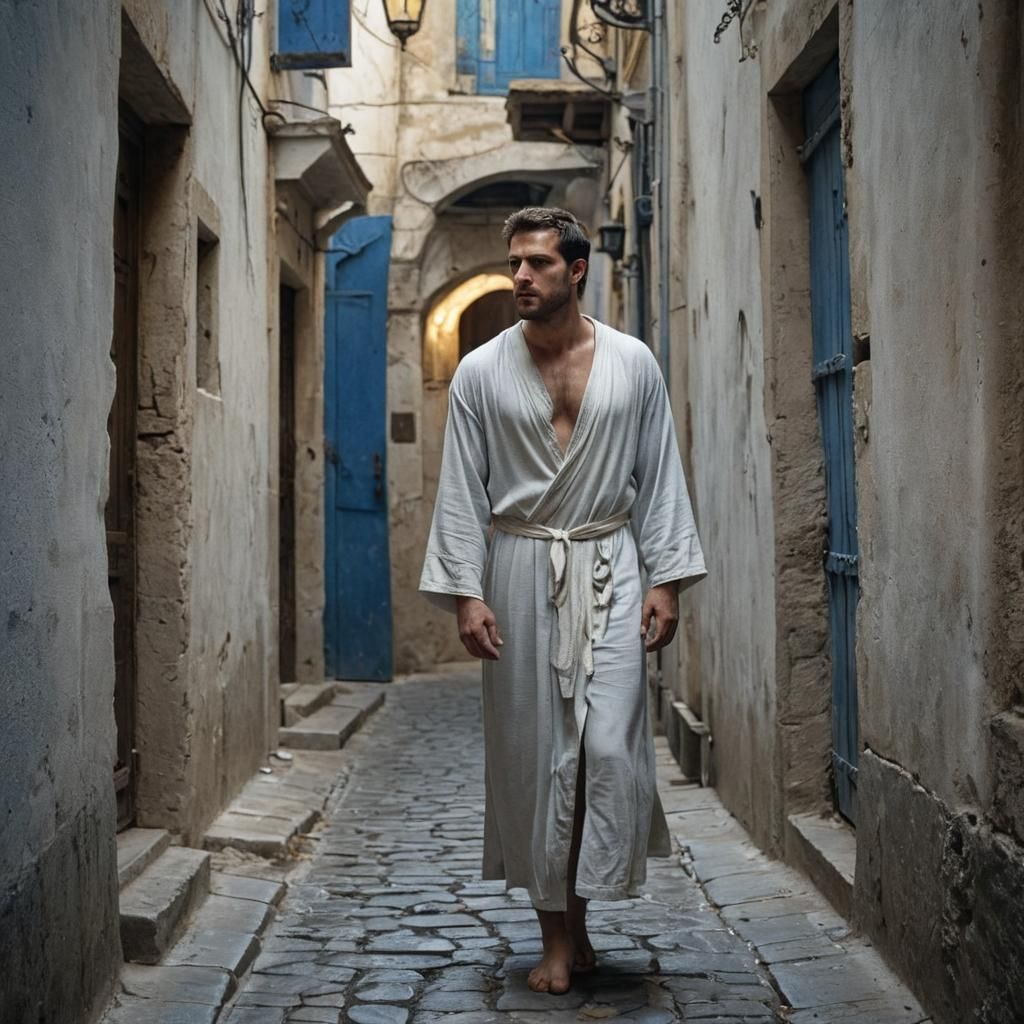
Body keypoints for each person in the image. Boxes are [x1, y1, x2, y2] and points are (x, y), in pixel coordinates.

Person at [419, 207, 706, 994]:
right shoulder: (480, 372)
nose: (521, 276)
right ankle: (558, 934)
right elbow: (461, 489)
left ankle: (579, 916)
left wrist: (665, 578)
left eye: (538, 262)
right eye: (514, 262)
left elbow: (660, 471)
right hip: (520, 568)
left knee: (605, 749)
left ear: (576, 270)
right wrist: (467, 593)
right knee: (537, 756)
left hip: (610, 561)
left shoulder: (632, 362)